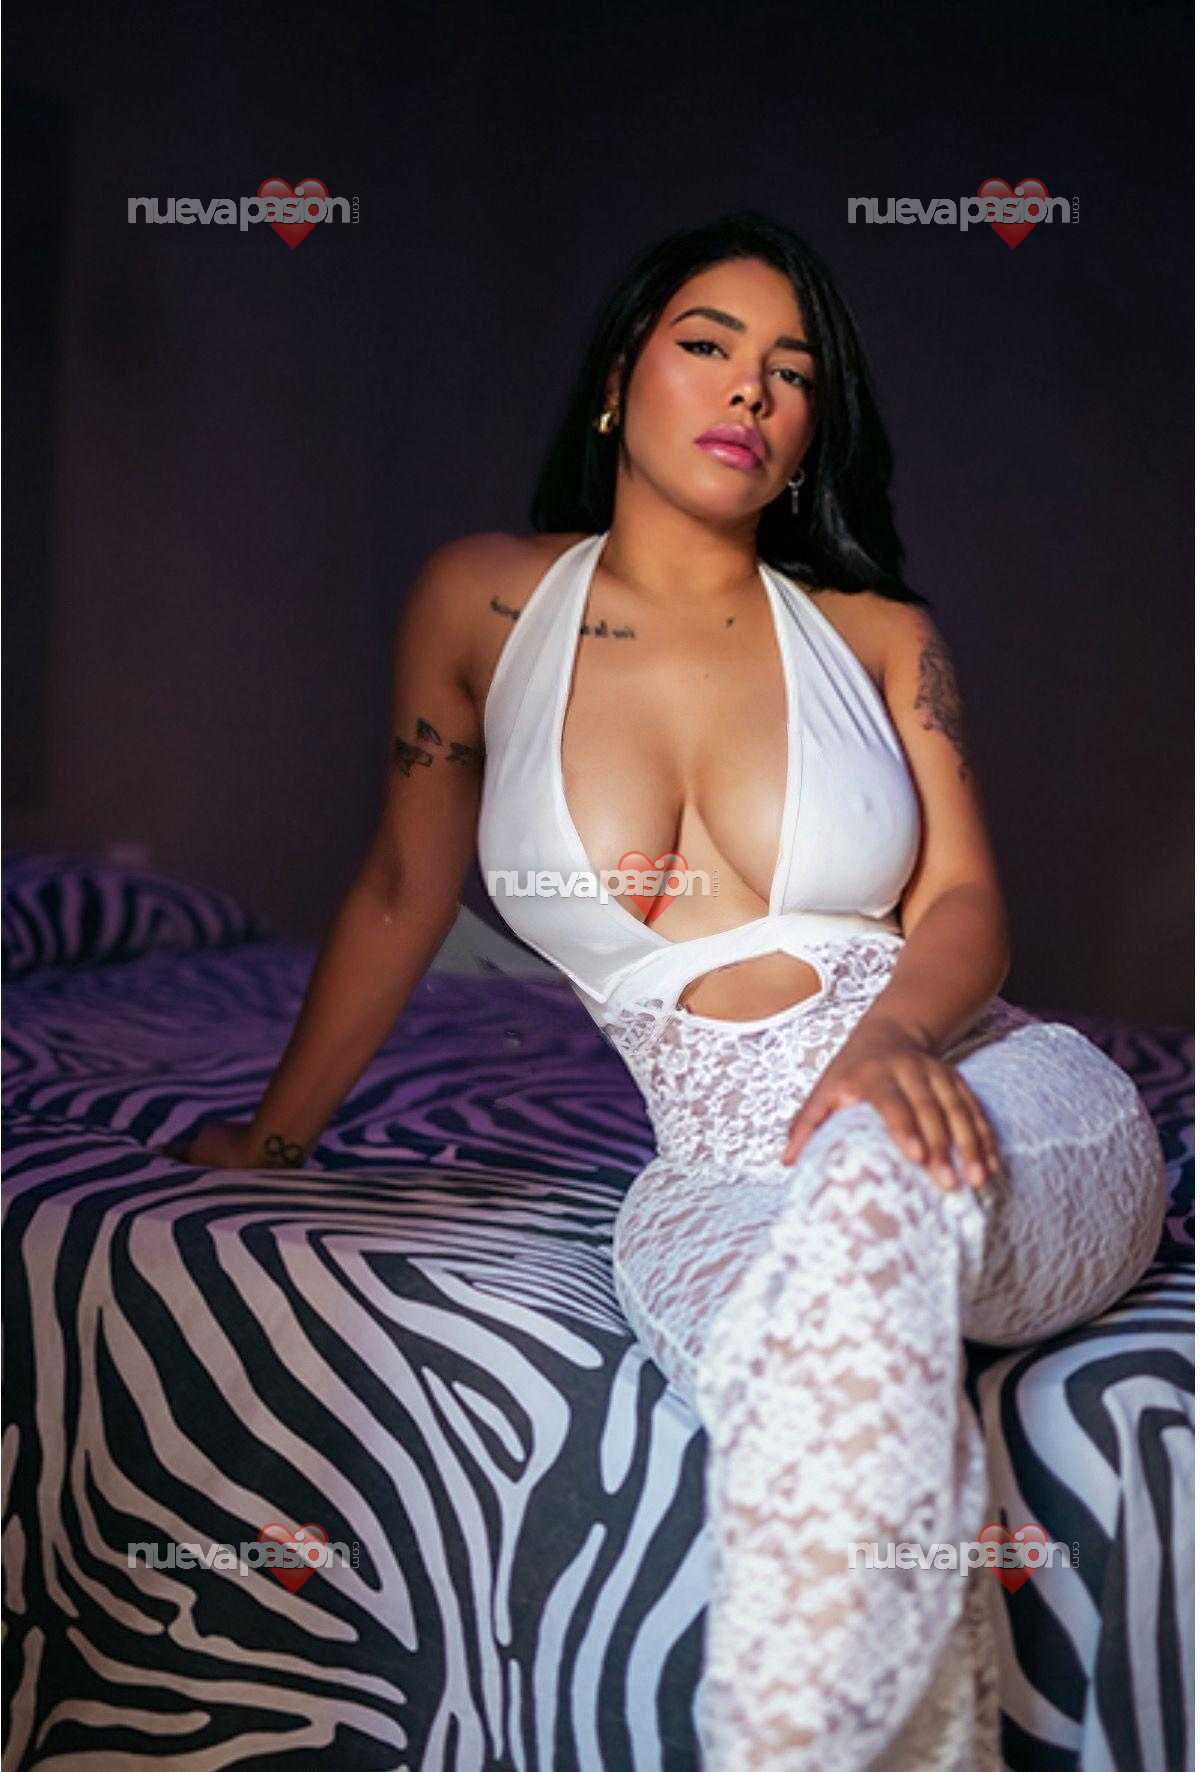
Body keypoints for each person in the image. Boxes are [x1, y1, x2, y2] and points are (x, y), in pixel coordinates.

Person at [180, 211, 1168, 1769]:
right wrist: (276, 1137)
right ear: (614, 383)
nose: (751, 389)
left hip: (982, 1096)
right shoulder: (483, 605)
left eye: (793, 371)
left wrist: (892, 1041)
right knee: (812, 1419)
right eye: (709, 344)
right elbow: (401, 889)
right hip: (709, 1181)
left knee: (866, 1189)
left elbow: (967, 901)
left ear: (810, 432)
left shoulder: (881, 636)